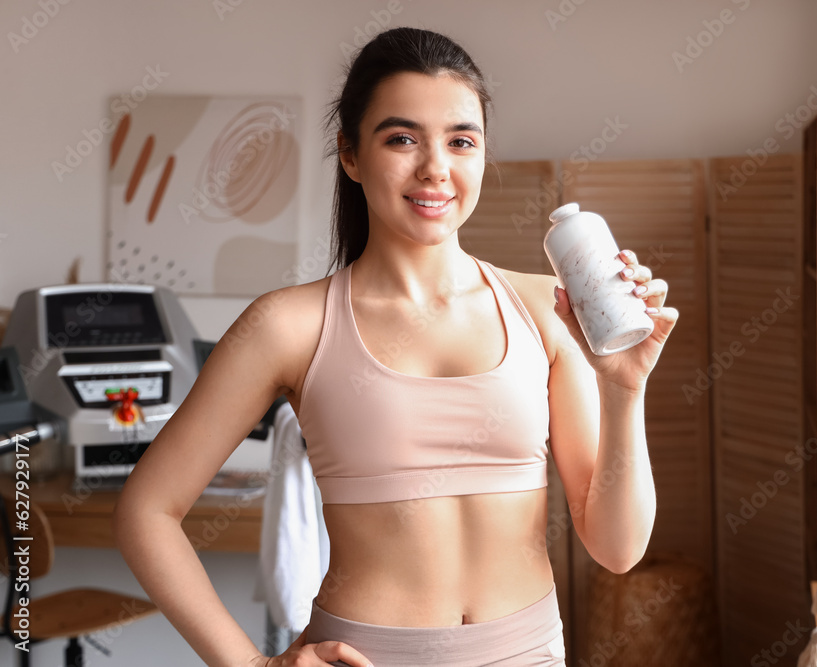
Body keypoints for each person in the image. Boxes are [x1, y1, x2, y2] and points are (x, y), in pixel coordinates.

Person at [113, 26, 678, 667]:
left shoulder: (545, 309)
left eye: (461, 141)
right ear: (350, 155)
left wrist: (624, 386)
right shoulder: (287, 325)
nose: (435, 167)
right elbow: (146, 512)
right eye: (402, 138)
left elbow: (618, 547)